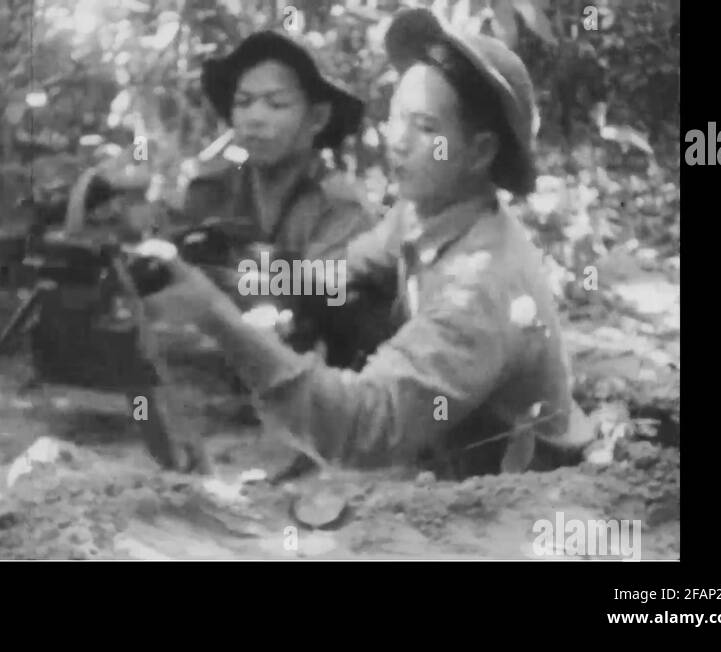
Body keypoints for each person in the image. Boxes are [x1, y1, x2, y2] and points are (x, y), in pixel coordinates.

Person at [140, 9, 577, 480]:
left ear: (481, 151)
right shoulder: (421, 215)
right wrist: (244, 280)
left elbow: (364, 427)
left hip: (524, 495)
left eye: (426, 127)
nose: (398, 141)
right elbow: (335, 273)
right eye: (395, 117)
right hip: (449, 464)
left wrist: (215, 315)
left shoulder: (479, 285)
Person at [133, 29, 388, 471]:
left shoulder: (340, 208)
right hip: (217, 393)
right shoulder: (210, 191)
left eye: (276, 104)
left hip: (314, 394)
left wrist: (237, 284)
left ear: (317, 118)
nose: (254, 118)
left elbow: (326, 295)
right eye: (244, 102)